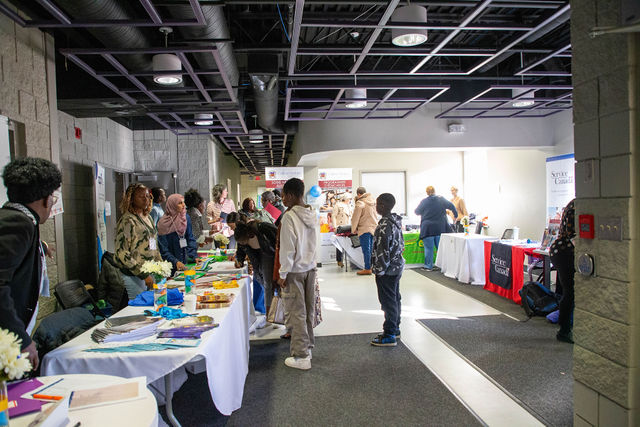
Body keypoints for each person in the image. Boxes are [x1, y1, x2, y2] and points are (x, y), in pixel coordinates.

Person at [0, 157, 62, 370]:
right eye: (53, 197)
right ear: (45, 199)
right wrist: (21, 339)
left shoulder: (16, 219)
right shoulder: (18, 223)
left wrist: (41, 247)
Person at [276, 178, 318, 370]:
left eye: (284, 196)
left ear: (291, 195)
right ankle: (307, 347)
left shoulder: (289, 217)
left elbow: (288, 249)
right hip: (310, 269)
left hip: (294, 271)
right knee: (308, 311)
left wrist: (282, 273)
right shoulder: (312, 213)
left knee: (296, 313)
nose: (283, 200)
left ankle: (301, 356)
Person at [115, 183, 163, 299]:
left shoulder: (148, 217)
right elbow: (122, 253)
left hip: (150, 271)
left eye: (147, 196)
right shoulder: (128, 220)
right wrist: (143, 275)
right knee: (139, 305)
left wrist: (161, 265)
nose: (145, 199)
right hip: (134, 275)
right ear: (131, 199)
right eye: (141, 196)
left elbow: (153, 245)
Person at [371, 193, 405, 347]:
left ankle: (389, 334)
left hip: (387, 270)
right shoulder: (395, 222)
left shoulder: (384, 225)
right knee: (395, 298)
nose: (376, 207)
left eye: (377, 204)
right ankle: (395, 328)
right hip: (396, 267)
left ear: (383, 205)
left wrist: (379, 271)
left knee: (388, 302)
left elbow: (383, 251)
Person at [234, 221, 278, 314]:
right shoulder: (241, 239)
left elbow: (278, 240)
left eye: (243, 242)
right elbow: (240, 251)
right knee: (260, 279)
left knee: (268, 284)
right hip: (257, 257)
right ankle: (268, 310)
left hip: (269, 254)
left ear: (248, 235)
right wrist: (240, 260)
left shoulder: (264, 228)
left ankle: (270, 313)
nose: (242, 244)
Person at [550, 199, 575, 343]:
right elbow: (573, 236)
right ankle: (564, 330)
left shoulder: (574, 204)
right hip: (564, 252)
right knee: (570, 291)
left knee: (568, 291)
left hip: (562, 252)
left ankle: (565, 326)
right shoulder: (575, 206)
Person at [415, 186, 457, 271]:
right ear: (435, 191)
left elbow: (417, 212)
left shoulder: (424, 201)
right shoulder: (441, 199)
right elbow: (452, 205)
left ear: (427, 192)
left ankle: (428, 266)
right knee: (441, 249)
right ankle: (444, 267)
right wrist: (455, 215)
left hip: (428, 228)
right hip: (440, 228)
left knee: (429, 248)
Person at [158, 194, 197, 274]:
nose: (183, 205)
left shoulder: (185, 218)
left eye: (183, 202)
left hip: (186, 262)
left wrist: (194, 256)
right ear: (172, 205)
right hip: (170, 265)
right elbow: (163, 249)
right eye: (180, 203)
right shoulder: (163, 223)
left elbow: (190, 238)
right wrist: (175, 262)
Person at [351, 186, 378, 275]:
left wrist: (353, 229)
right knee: (372, 249)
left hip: (364, 228)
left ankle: (367, 268)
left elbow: (355, 218)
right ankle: (372, 267)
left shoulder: (360, 203)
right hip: (374, 228)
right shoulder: (373, 201)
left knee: (366, 250)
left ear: (358, 194)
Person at [332, 193, 353, 268]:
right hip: (340, 226)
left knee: (349, 243)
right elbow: (333, 216)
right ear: (345, 198)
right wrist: (334, 227)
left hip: (349, 226)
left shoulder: (349, 206)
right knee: (339, 243)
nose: (350, 200)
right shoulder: (338, 205)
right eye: (349, 199)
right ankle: (339, 260)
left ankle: (351, 260)